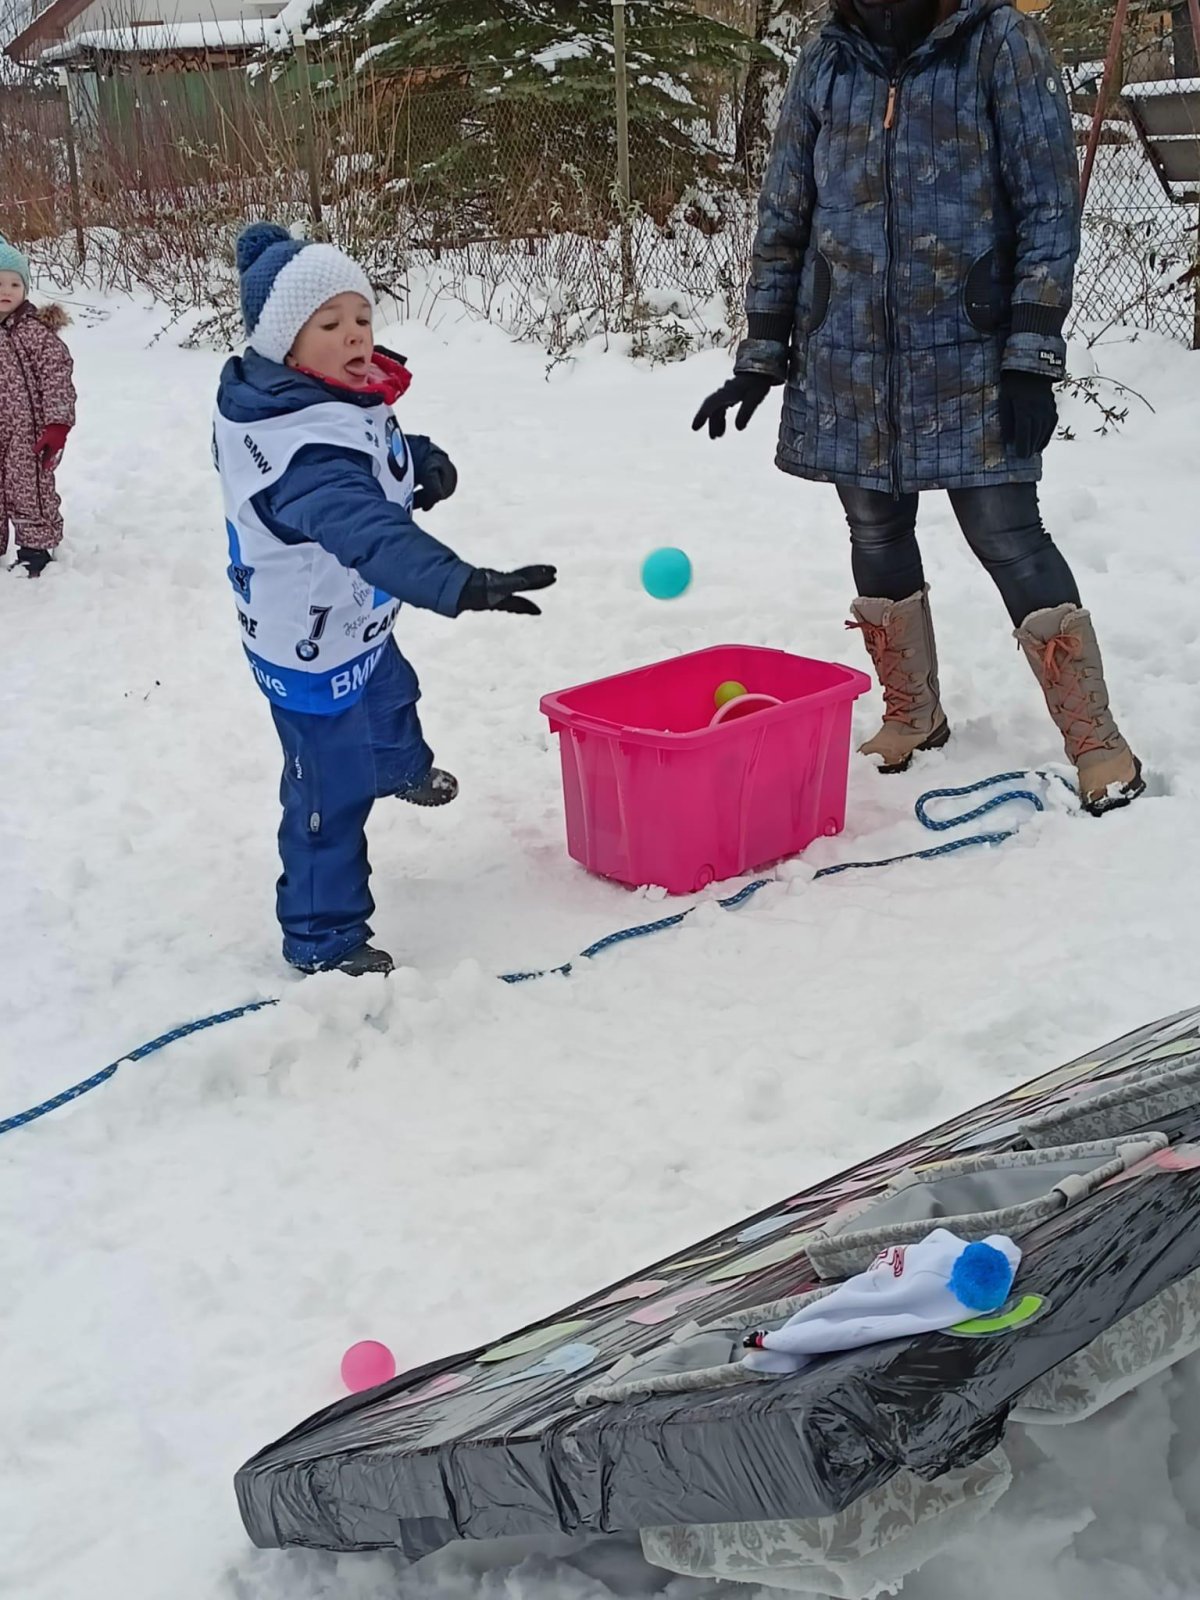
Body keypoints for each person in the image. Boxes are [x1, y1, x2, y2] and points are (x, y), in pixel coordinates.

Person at [693, 0, 1143, 815]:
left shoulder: (998, 41)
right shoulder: (828, 57)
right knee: (874, 529)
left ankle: (1096, 740)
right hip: (848, 354)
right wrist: (762, 351)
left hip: (972, 349)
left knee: (1008, 535)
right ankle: (913, 713)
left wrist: (1031, 352)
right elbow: (785, 211)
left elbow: (1047, 206)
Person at [214, 223, 556, 976]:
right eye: (329, 324)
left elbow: (367, 440)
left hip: (351, 613)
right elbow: (364, 526)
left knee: (388, 688)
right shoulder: (299, 451)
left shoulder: (322, 394)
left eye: (362, 317)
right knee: (326, 792)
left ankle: (394, 768)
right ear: (284, 344)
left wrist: (417, 461)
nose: (355, 335)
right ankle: (322, 933)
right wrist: (456, 581)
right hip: (305, 638)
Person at [0, 237, 75, 578]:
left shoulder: (35, 332)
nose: (7, 291)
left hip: (28, 433)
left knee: (29, 489)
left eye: (15, 284)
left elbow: (57, 375)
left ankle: (34, 549)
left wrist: (57, 425)